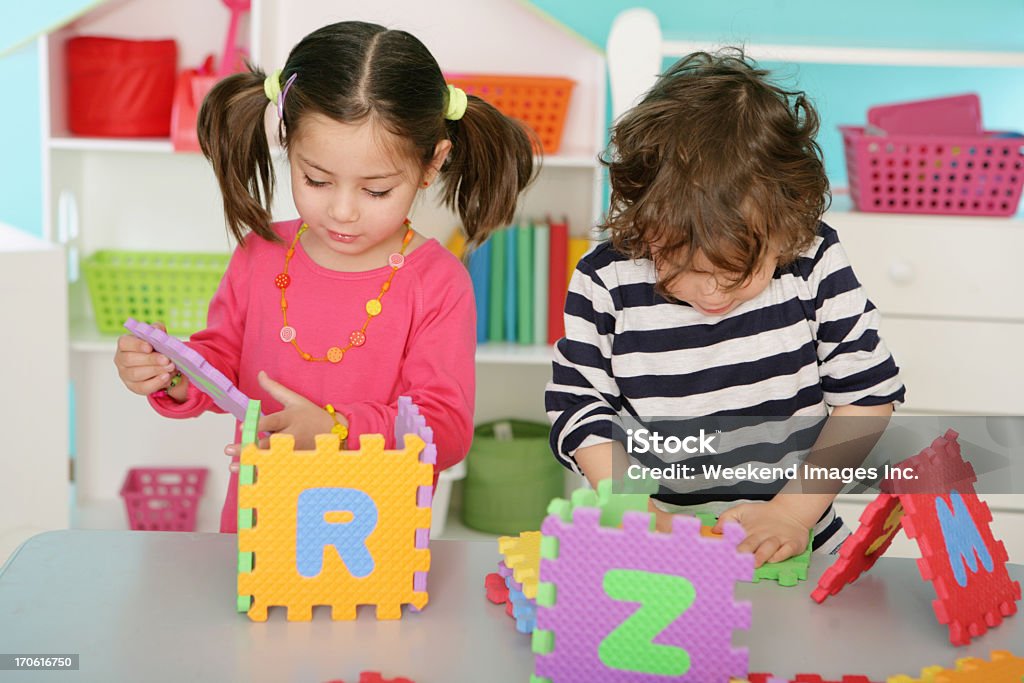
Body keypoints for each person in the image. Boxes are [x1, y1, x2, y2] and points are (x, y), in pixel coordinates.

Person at [114, 21, 536, 532]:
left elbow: (444, 430)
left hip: (378, 546)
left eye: (375, 190)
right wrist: (175, 372)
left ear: (431, 165)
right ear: (287, 144)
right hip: (256, 530)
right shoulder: (260, 254)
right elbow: (222, 362)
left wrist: (336, 429)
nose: (342, 211)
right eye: (315, 179)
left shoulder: (438, 282)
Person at [545, 49, 905, 566]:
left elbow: (867, 397)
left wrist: (793, 513)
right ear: (644, 224)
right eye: (677, 265)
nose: (710, 294)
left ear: (788, 226)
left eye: (738, 274)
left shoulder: (813, 261)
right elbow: (580, 407)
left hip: (798, 542)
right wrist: (634, 509)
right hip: (657, 550)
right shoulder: (605, 279)